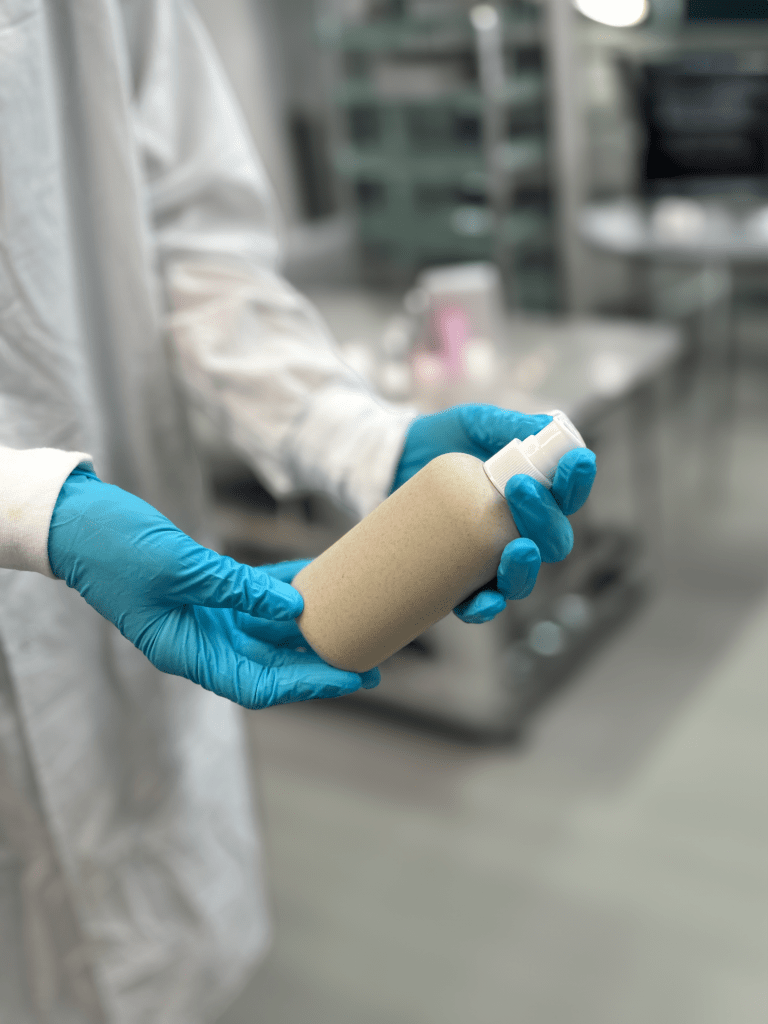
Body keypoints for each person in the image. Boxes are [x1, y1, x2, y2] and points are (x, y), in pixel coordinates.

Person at [0, 1, 596, 1021]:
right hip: (88, 540)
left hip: (127, 656)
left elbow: (195, 250)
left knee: (144, 951)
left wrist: (361, 436)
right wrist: (29, 509)